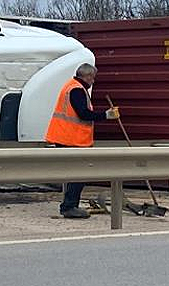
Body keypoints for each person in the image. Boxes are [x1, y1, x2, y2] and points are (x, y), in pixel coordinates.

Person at [45, 63, 120, 218]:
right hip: (71, 139)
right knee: (79, 173)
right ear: (88, 76)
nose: (93, 81)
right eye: (93, 78)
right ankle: (69, 207)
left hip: (66, 137)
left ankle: (69, 205)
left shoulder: (71, 86)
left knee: (75, 174)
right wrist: (106, 115)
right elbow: (83, 114)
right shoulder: (77, 90)